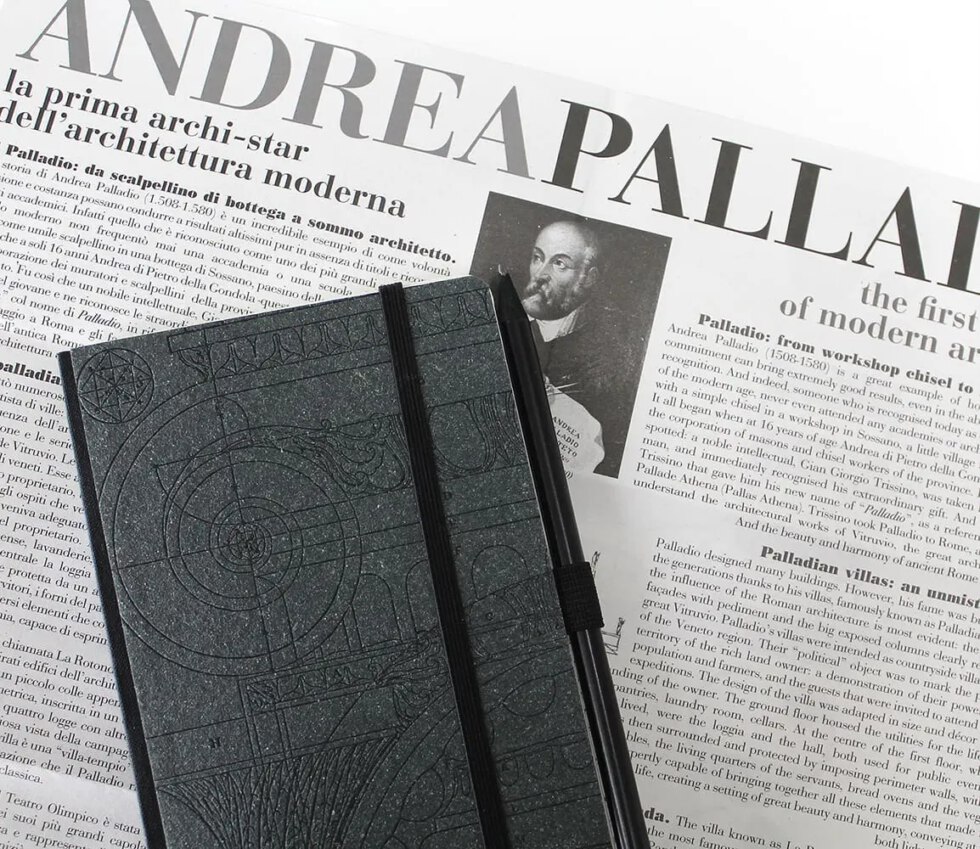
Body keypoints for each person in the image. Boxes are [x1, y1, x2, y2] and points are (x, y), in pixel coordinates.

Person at [521, 220, 630, 476]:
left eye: (559, 264)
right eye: (538, 258)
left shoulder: (609, 354)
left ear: (588, 278)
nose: (540, 274)